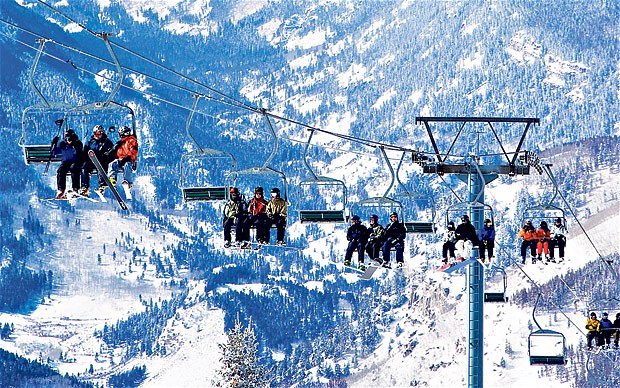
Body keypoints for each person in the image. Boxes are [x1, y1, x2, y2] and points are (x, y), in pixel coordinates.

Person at [80, 125, 114, 197]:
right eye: (96, 134)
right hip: (91, 160)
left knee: (101, 168)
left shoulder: (106, 142)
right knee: (84, 168)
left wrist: (105, 155)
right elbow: (85, 150)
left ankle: (102, 185)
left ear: (102, 133)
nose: (97, 136)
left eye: (99, 134)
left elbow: (112, 152)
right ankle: (85, 187)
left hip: (101, 161)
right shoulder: (90, 141)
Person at [52, 129, 84, 199]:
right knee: (61, 171)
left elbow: (80, 152)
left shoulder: (77, 143)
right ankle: (61, 190)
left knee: (74, 170)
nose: (68, 139)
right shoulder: (63, 144)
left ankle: (75, 189)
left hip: (75, 161)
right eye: (66, 137)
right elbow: (54, 152)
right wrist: (54, 144)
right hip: (66, 162)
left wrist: (74, 145)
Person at [107, 126, 138, 191]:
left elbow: (134, 151)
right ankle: (112, 179)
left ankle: (128, 182)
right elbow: (118, 153)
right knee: (112, 164)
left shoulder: (131, 140)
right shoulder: (121, 143)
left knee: (127, 165)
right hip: (121, 160)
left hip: (129, 160)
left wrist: (127, 157)